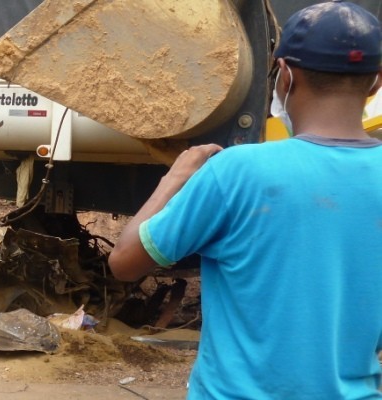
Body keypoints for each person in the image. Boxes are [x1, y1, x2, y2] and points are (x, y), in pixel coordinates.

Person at [108, 2, 382, 398]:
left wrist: (175, 178)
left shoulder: (237, 171)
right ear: (375, 81)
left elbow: (124, 263)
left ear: (285, 75)